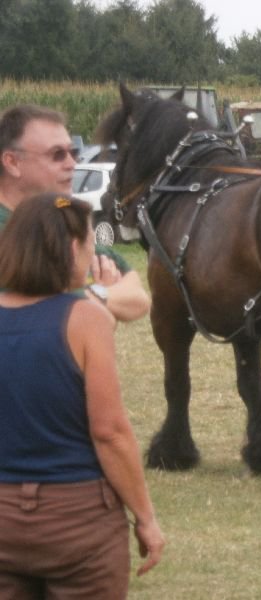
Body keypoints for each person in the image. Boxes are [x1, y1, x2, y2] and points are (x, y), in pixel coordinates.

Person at [0, 193, 165, 598]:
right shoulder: (86, 319)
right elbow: (109, 431)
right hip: (76, 516)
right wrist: (144, 516)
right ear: (73, 248)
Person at [0, 104, 149, 322]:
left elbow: (138, 298)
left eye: (74, 152)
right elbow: (29, 313)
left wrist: (92, 296)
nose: (72, 163)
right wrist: (97, 297)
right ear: (12, 162)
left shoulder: (63, 221)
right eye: (57, 154)